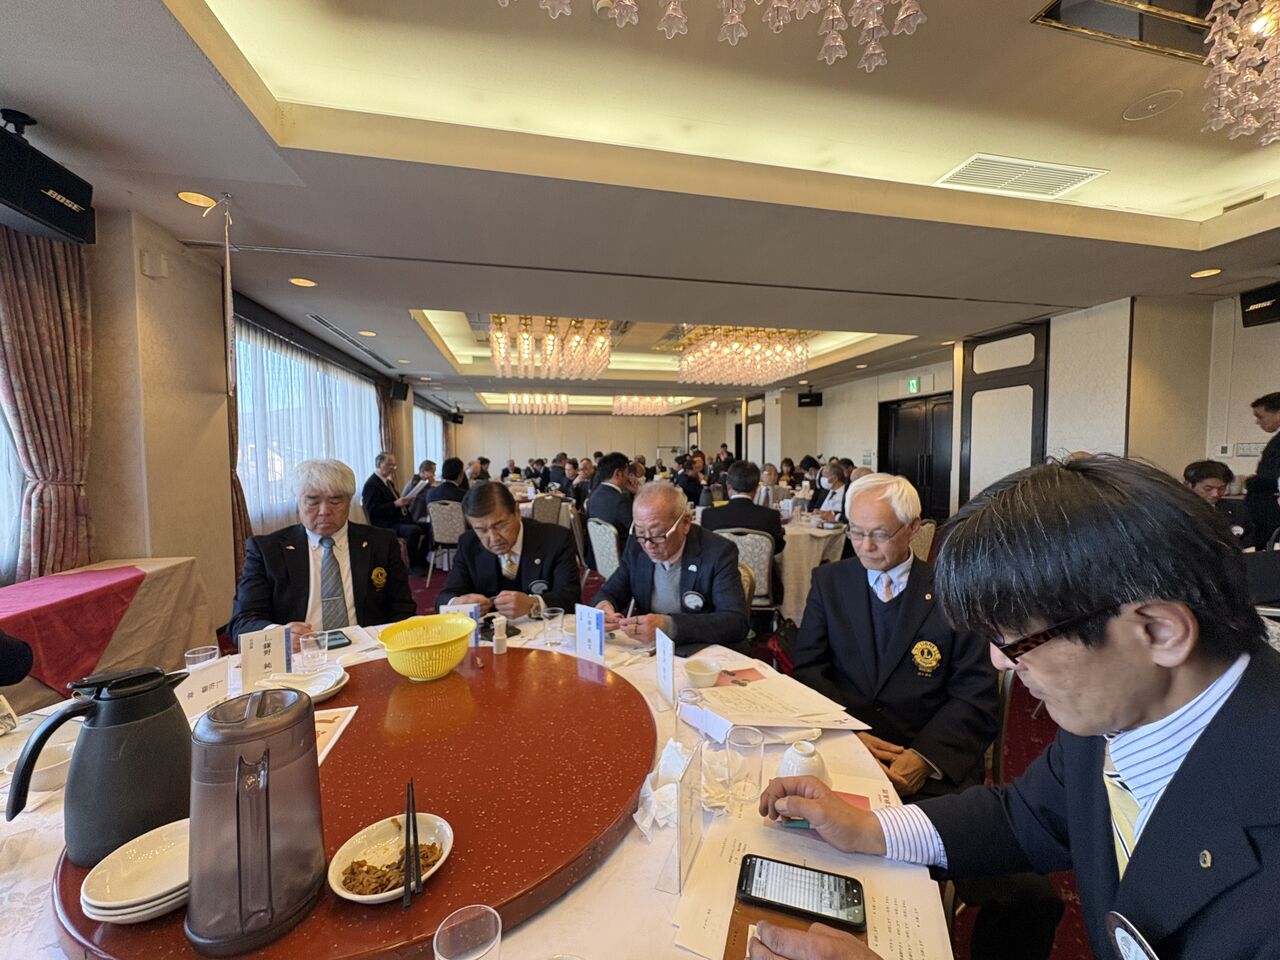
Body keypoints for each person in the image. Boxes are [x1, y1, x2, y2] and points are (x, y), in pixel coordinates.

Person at [759, 456, 1277, 960]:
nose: (999, 662)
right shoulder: (1110, 713)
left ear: (1159, 631)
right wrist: (868, 827)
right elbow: (1023, 816)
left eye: (1018, 641)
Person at [793, 472, 998, 798]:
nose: (866, 546)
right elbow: (809, 669)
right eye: (856, 532)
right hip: (843, 746)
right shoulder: (830, 583)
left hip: (926, 758)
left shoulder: (954, 590)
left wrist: (924, 758)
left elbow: (975, 694)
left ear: (913, 527)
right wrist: (847, 734)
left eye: (880, 534)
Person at [230, 459, 416, 645]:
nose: (324, 511)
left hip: (365, 649)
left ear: (349, 501)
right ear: (298, 502)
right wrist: (279, 635)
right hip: (299, 653)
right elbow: (243, 621)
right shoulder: (267, 551)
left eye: (335, 501)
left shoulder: (381, 542)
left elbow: (403, 610)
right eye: (312, 501)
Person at [595, 482, 748, 654]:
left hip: (703, 651)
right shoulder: (636, 546)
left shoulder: (718, 552)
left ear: (685, 523)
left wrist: (670, 626)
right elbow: (610, 591)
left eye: (658, 534)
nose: (648, 544)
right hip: (653, 650)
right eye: (640, 532)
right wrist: (603, 607)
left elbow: (735, 622)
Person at [436, 481, 581, 618]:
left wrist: (533, 604)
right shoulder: (468, 543)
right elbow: (444, 598)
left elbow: (570, 598)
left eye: (500, 526)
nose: (494, 538)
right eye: (481, 530)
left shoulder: (556, 539)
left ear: (517, 512)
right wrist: (457, 604)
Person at [702, 461, 786, 559]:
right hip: (759, 568)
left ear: (728, 485)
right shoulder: (771, 516)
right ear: (757, 488)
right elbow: (777, 548)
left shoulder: (709, 515)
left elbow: (705, 547)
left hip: (721, 568)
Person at [361, 451, 425, 575]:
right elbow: (373, 511)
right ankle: (413, 565)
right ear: (379, 464)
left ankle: (421, 560)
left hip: (397, 519)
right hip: (385, 524)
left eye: (394, 465)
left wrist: (406, 502)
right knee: (414, 531)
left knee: (428, 528)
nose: (393, 468)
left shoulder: (387, 482)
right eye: (389, 464)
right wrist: (396, 504)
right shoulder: (371, 485)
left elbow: (396, 503)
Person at [1245, 391, 1280, 549]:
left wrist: (1253, 482)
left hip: (1271, 513)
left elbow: (1274, 480)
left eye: (1260, 417)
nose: (1257, 422)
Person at [587, 452, 636, 542]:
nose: (628, 477)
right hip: (622, 548)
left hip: (599, 548)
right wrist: (639, 493)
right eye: (627, 472)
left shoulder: (594, 496)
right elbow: (638, 530)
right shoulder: (621, 501)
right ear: (618, 473)